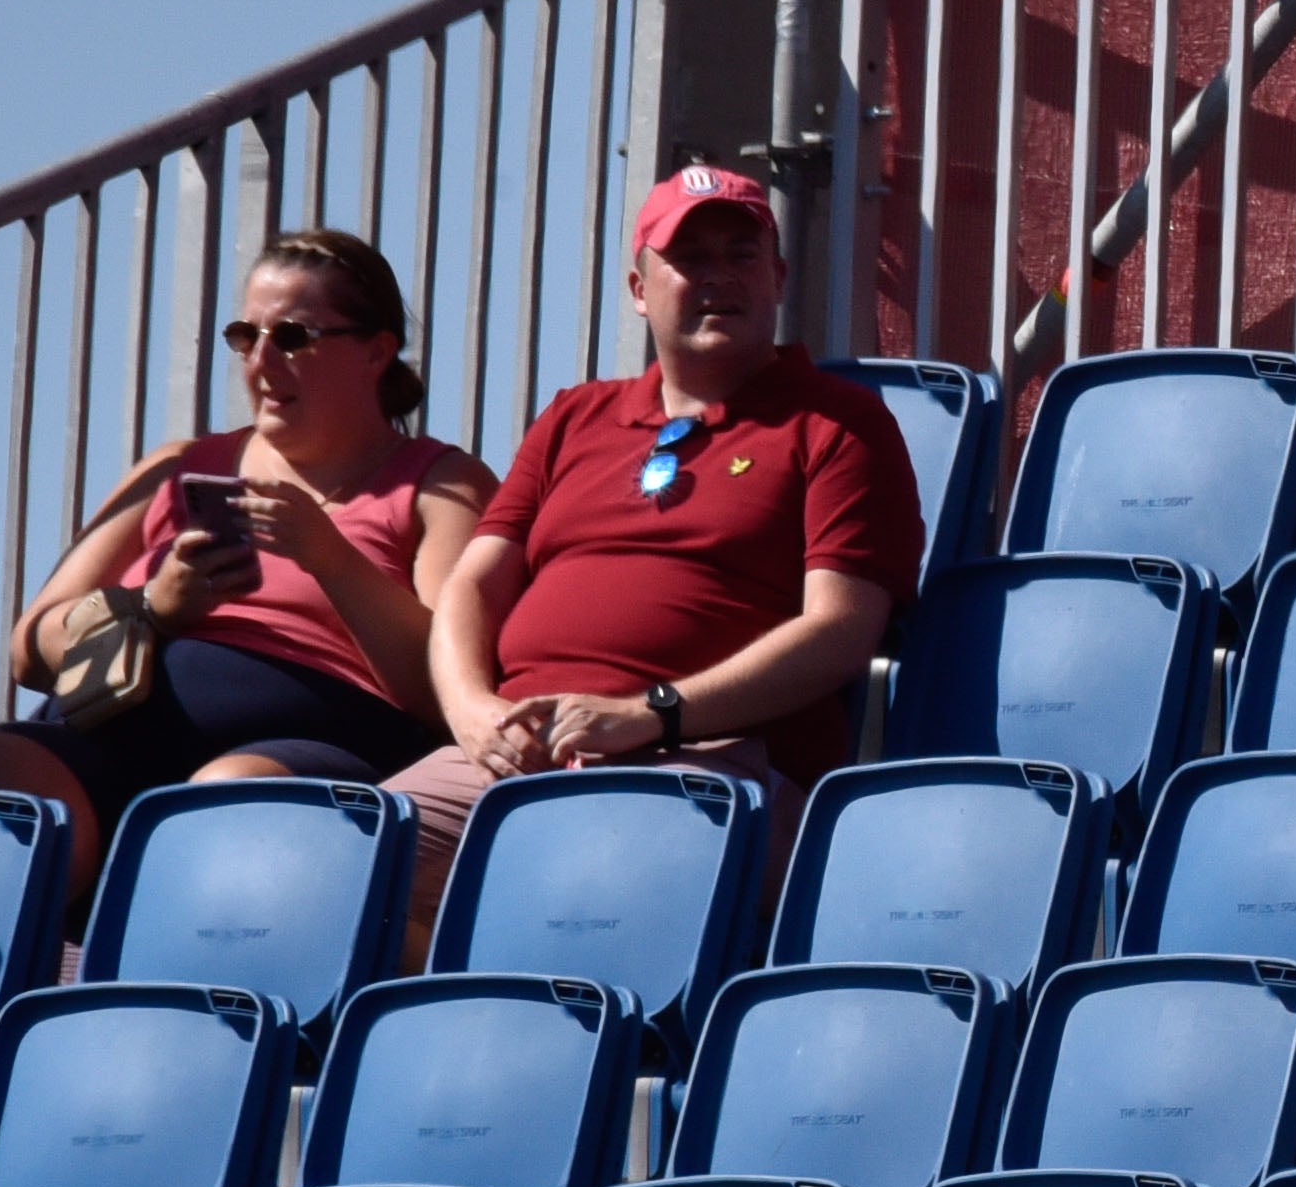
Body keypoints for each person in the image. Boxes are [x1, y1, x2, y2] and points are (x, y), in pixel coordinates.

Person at [382, 162, 924, 954]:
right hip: (520, 750)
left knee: (602, 860)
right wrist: (473, 712)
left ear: (775, 278)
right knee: (340, 863)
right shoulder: (574, 416)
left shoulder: (837, 423)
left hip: (710, 758)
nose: (717, 278)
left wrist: (650, 713)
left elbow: (839, 629)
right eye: (689, 258)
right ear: (640, 288)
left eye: (740, 256)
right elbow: (472, 584)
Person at [0, 229, 498, 905]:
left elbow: (445, 680)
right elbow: (29, 649)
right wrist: (152, 605)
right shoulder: (178, 465)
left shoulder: (439, 482)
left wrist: (328, 556)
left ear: (376, 351)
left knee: (222, 802)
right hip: (122, 730)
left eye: (293, 336)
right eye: (245, 335)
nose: (262, 360)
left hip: (314, 744)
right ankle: (5, 1005)